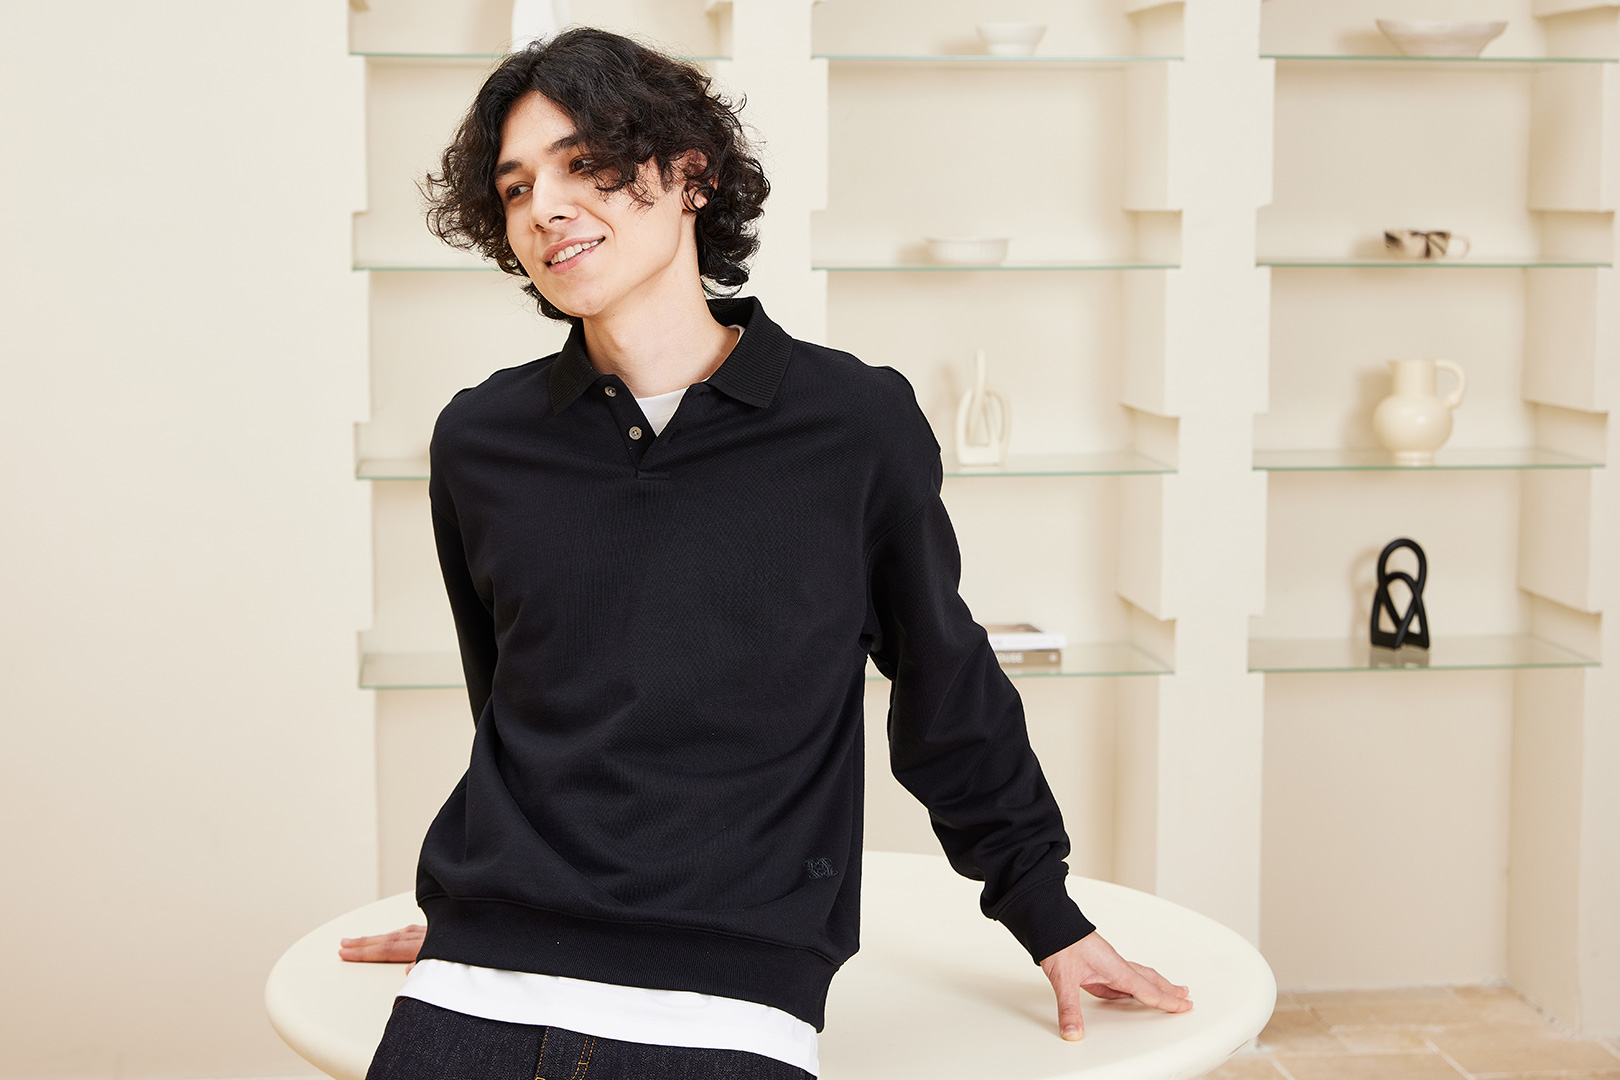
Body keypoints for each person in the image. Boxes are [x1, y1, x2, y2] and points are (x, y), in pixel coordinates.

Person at [339, 26, 1192, 1079]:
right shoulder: (481, 440)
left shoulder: (853, 425)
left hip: (731, 989)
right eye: (516, 189)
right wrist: (470, 911)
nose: (544, 208)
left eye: (584, 164)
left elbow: (944, 680)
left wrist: (1046, 912)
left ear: (691, 178)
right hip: (482, 974)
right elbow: (511, 704)